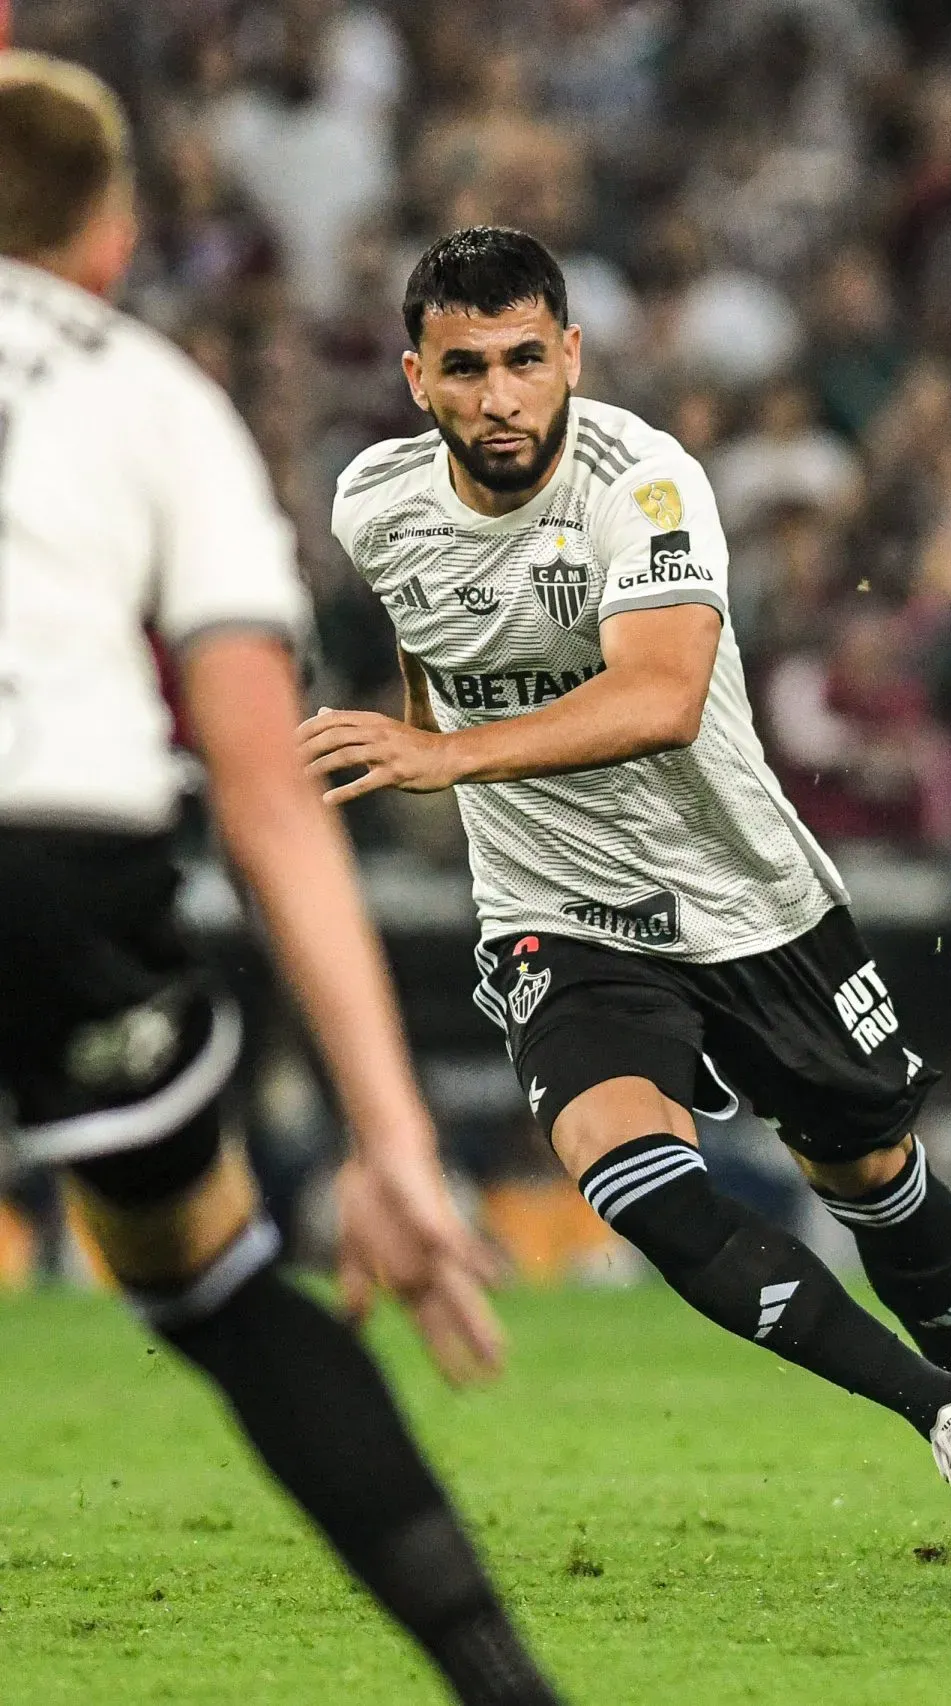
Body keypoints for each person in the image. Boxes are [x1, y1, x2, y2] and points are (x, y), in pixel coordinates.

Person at [305, 226, 951, 1566]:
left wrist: (439, 756)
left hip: (745, 895)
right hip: (557, 912)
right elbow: (442, 659)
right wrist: (418, 738)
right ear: (416, 377)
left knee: (870, 1171)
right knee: (638, 1181)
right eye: (468, 368)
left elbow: (661, 699)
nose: (502, 397)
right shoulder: (372, 506)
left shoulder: (646, 483)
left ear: (574, 357)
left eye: (527, 361)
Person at [0, 54, 558, 1704]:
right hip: (63, 855)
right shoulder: (154, 396)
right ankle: (503, 1687)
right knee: (225, 1284)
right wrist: (390, 1140)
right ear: (112, 237)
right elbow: (267, 788)